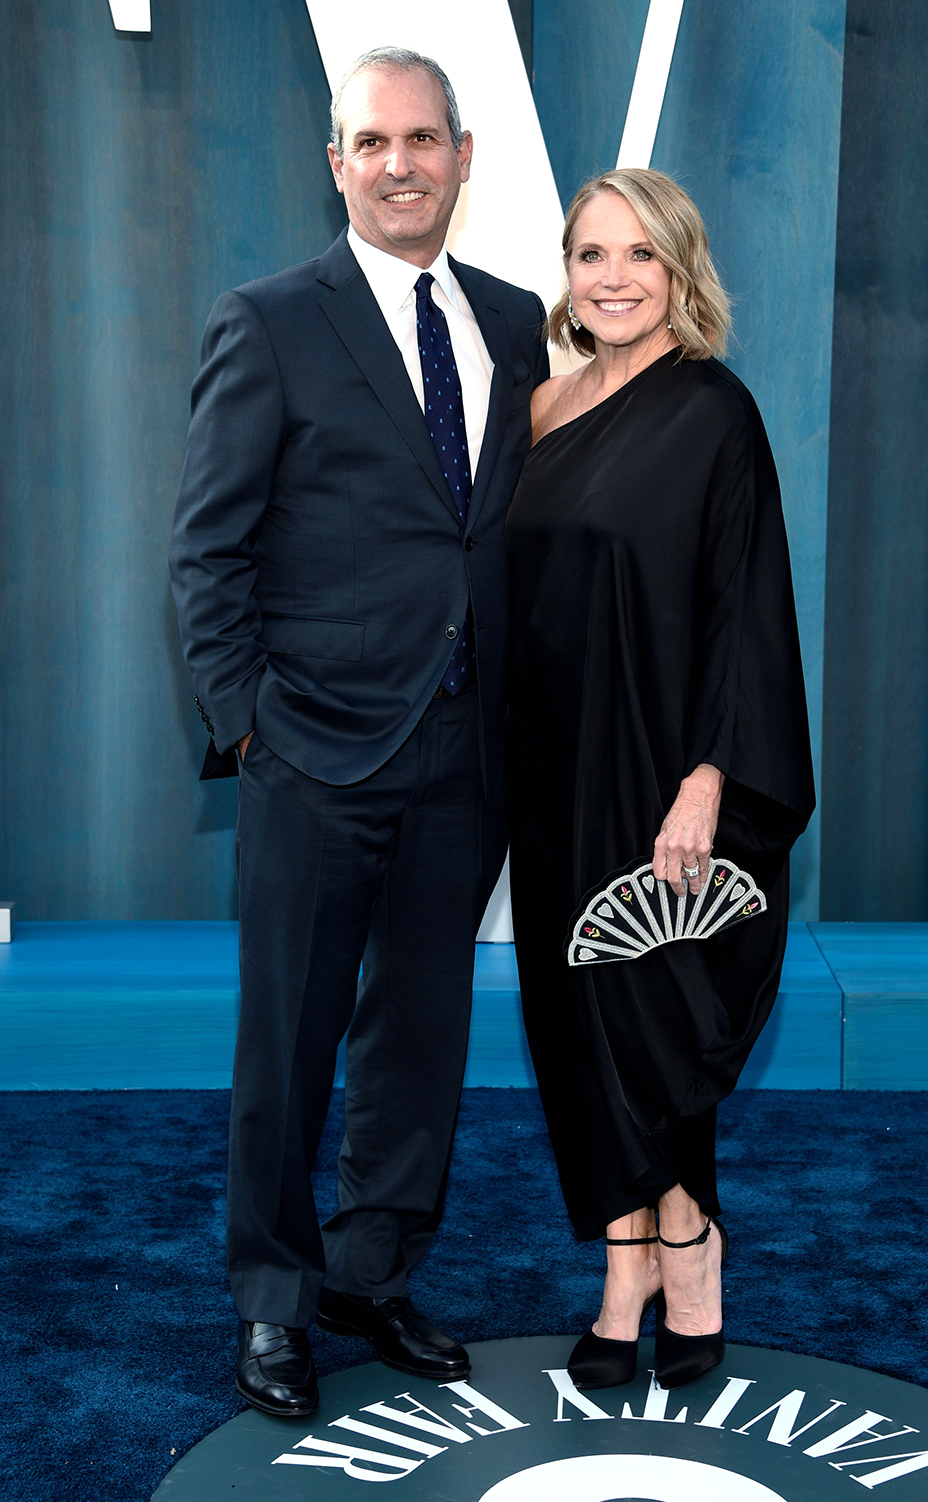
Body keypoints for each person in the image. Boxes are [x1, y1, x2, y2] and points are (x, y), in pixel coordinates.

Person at [169, 47, 548, 1417]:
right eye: (373, 142)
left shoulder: (516, 322)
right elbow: (205, 551)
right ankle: (272, 1301)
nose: (400, 164)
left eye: (424, 140)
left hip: (465, 758)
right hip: (311, 755)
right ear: (338, 164)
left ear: (462, 154)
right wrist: (250, 726)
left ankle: (370, 1272)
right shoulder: (268, 322)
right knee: (288, 1037)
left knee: (420, 1036)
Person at [506, 168, 814, 1392]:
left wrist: (707, 777)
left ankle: (687, 1252)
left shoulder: (714, 412)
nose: (614, 278)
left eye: (640, 254)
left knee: (658, 1019)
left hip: (665, 771)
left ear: (680, 269)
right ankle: (624, 1262)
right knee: (578, 1022)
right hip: (550, 768)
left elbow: (749, 611)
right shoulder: (540, 409)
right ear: (568, 275)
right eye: (591, 255)